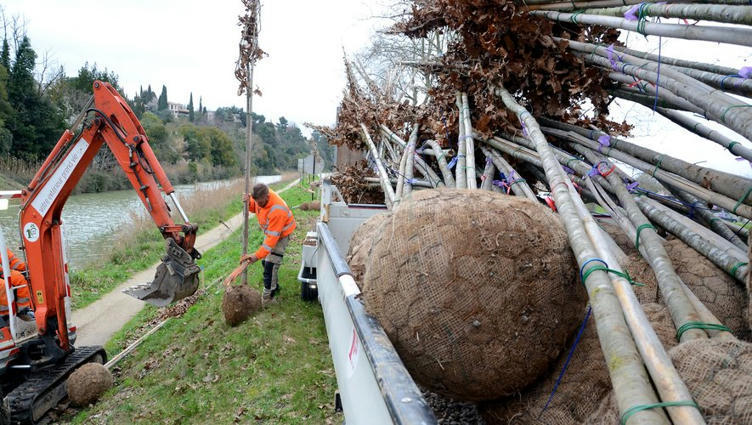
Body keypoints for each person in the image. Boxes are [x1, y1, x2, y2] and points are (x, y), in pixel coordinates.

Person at [241, 183, 296, 303]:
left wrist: (256, 256)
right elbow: (256, 208)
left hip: (281, 235)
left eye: (259, 202)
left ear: (267, 196)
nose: (258, 204)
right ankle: (274, 287)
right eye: (256, 201)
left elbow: (271, 240)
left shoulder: (277, 210)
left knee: (270, 266)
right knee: (266, 262)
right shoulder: (260, 199)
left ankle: (268, 299)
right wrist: (249, 203)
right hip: (272, 232)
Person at [0, 249, 32, 319]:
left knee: (18, 278)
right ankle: (5, 316)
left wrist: (28, 267)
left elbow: (13, 262)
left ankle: (22, 310)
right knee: (2, 285)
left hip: (1, 272)